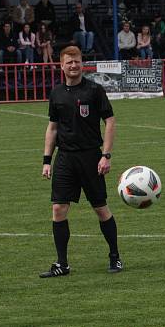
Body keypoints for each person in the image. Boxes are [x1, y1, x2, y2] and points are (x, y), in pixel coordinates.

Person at [40, 45, 121, 278]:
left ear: (81, 63)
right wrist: (47, 160)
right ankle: (62, 264)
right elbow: (52, 127)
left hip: (90, 157)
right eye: (69, 62)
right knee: (58, 208)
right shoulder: (56, 93)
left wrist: (106, 155)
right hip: (64, 158)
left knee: (101, 209)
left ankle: (115, 256)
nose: (73, 65)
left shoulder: (94, 91)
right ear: (61, 65)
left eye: (76, 61)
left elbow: (110, 122)